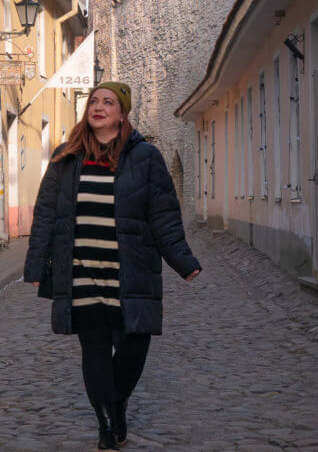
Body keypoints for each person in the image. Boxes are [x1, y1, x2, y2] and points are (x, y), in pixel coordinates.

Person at [23, 81, 201, 450]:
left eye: (108, 102)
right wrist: (39, 267)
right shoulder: (65, 157)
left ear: (122, 113)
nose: (98, 107)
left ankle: (115, 403)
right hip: (81, 272)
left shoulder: (145, 157)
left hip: (131, 272)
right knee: (96, 350)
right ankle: (107, 424)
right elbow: (45, 215)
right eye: (93, 101)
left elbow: (164, 215)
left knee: (135, 347)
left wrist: (183, 261)